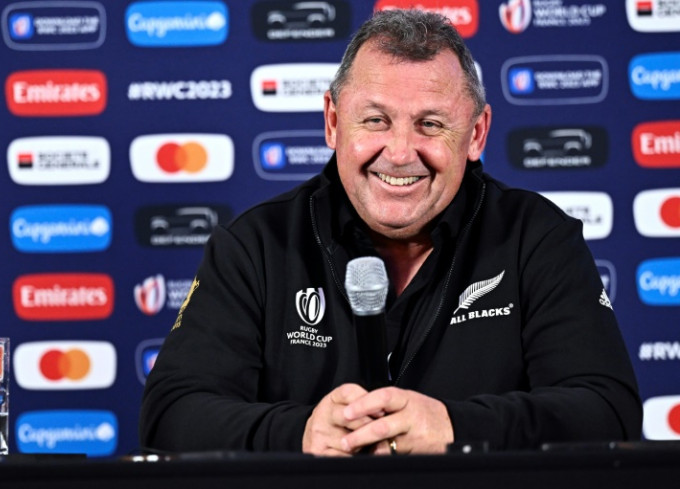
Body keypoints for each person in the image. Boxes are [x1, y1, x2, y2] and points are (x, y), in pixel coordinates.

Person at [139, 9, 642, 456]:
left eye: (430, 125)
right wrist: (301, 434)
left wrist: (455, 427)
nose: (400, 153)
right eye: (375, 120)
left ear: (477, 134)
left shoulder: (538, 238)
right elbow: (171, 414)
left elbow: (608, 410)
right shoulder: (255, 246)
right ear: (334, 123)